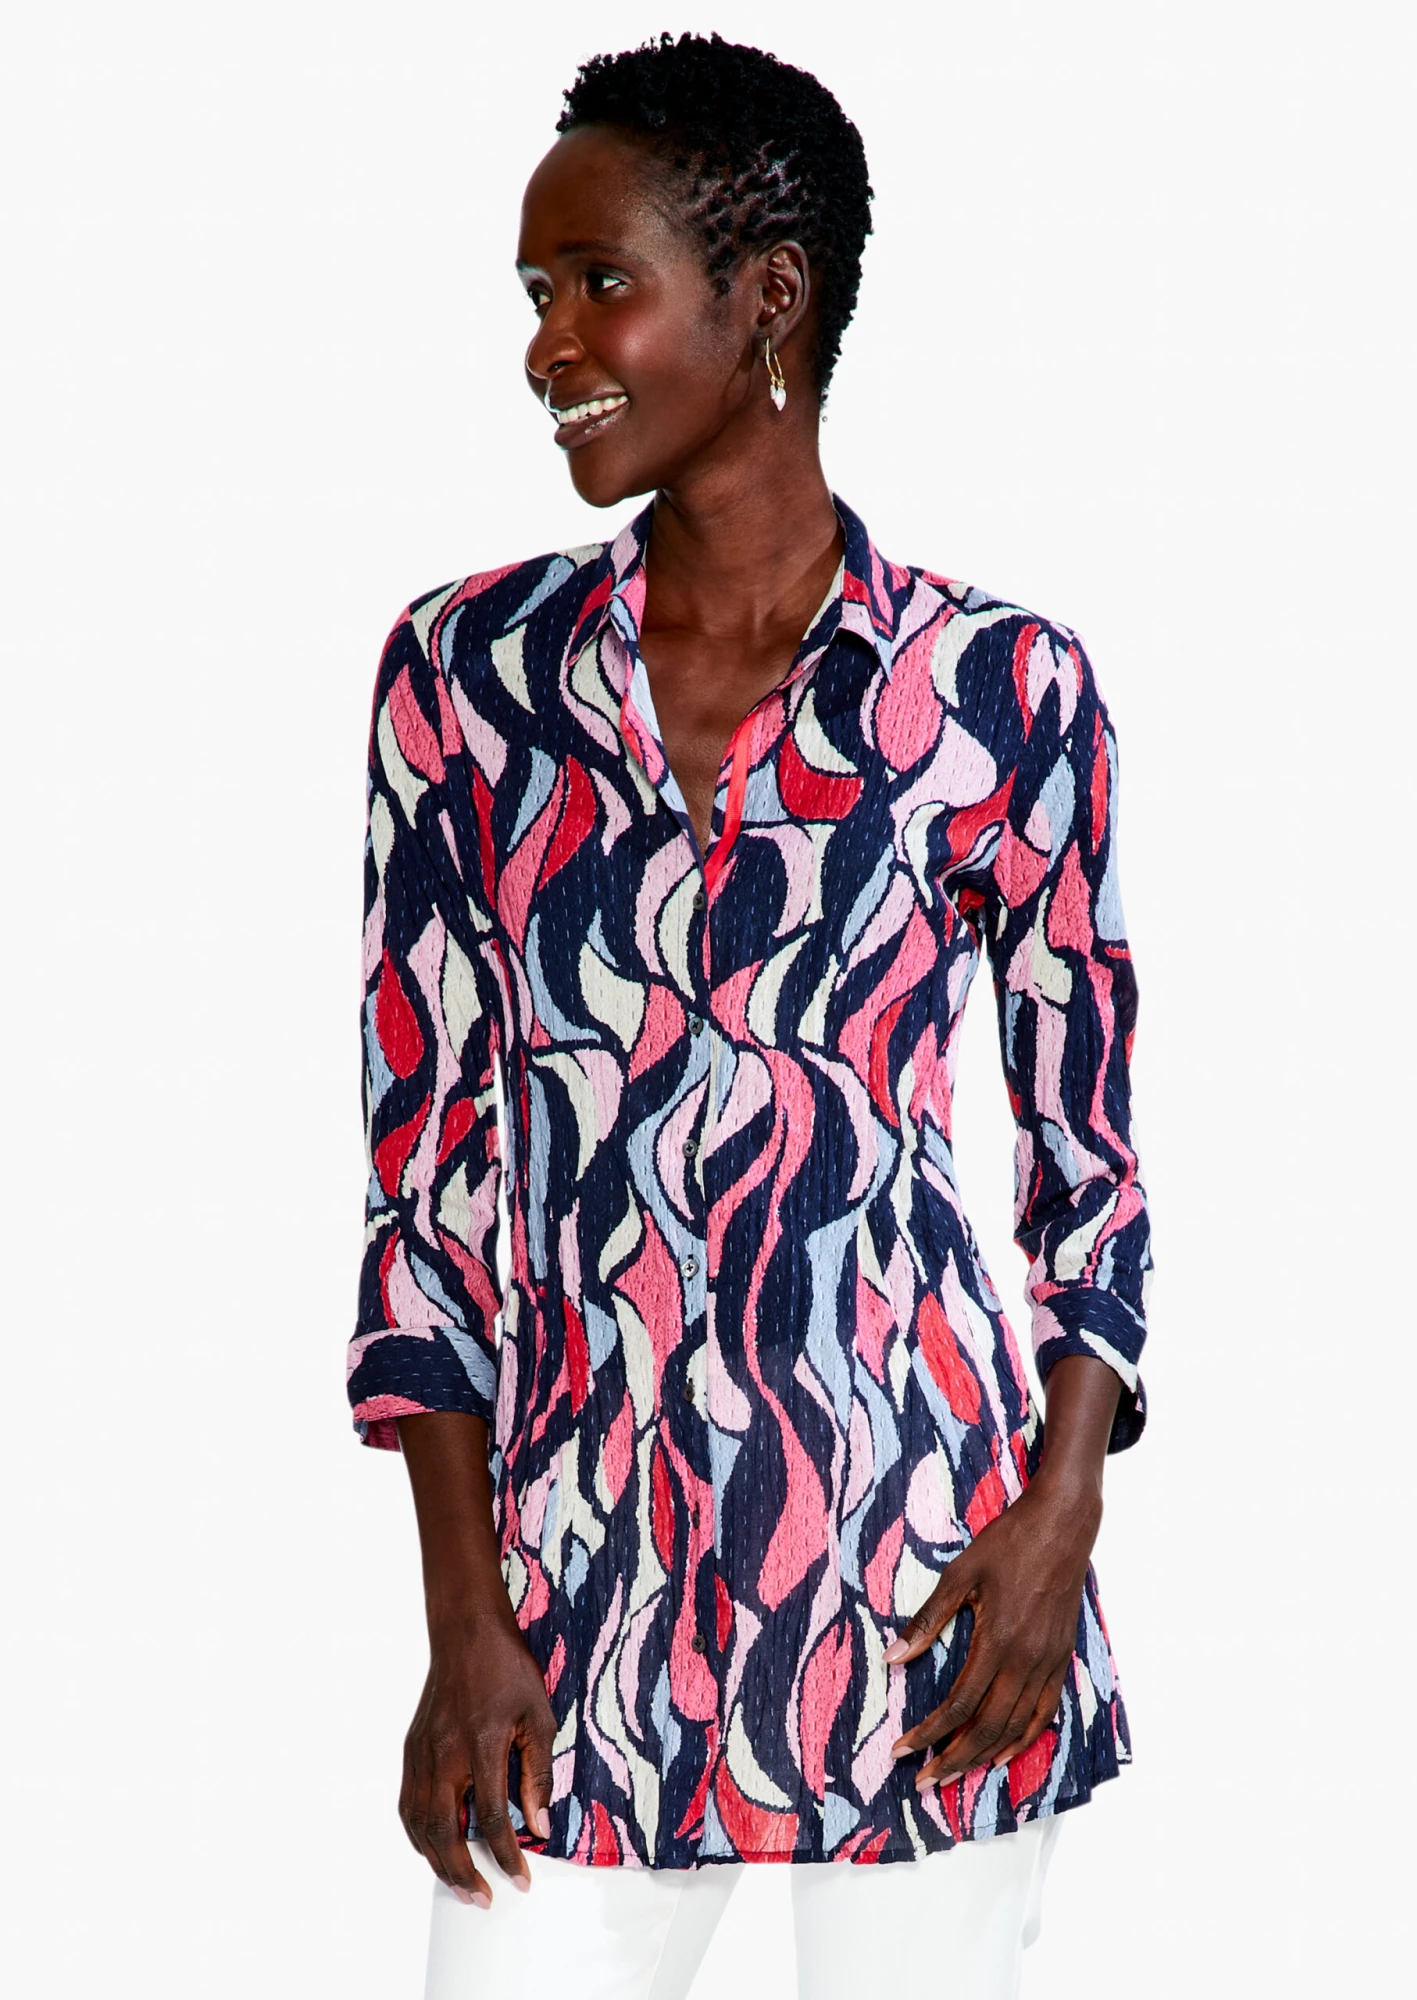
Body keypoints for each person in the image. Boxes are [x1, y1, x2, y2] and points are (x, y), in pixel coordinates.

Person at [348, 32, 1153, 2000]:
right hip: (573, 1614)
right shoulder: (466, 680)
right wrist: (463, 1620)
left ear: (767, 296)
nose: (549, 344)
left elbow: (1089, 1165)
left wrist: (1058, 1522)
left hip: (929, 1592)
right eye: (534, 292)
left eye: (597, 281)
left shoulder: (999, 691)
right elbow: (426, 1185)